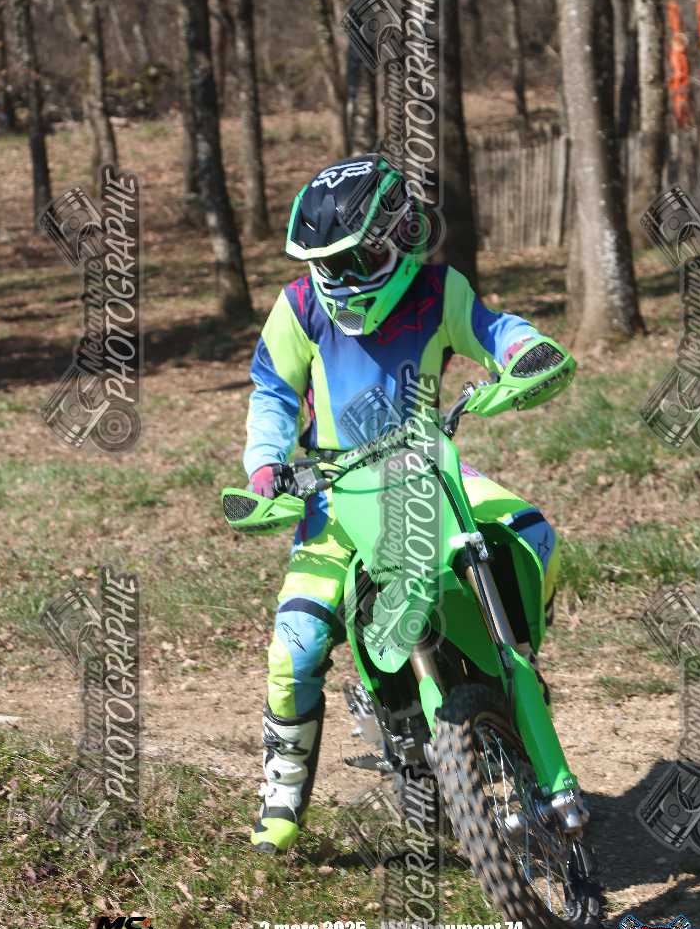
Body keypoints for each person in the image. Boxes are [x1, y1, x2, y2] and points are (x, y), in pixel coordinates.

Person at [244, 154, 574, 853]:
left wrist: (528, 351)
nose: (339, 276)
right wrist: (266, 464)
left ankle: (514, 653)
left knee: (532, 533)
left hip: (429, 465)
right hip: (335, 497)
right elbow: (272, 391)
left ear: (398, 234)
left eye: (352, 258)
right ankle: (282, 790)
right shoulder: (299, 307)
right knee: (295, 644)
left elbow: (493, 329)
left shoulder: (438, 291)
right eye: (325, 263)